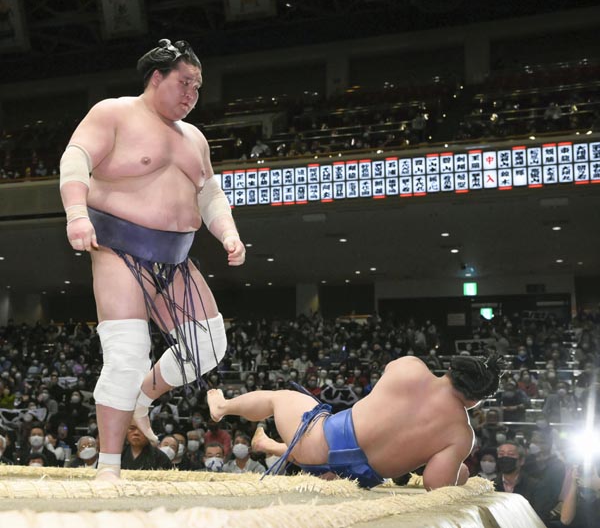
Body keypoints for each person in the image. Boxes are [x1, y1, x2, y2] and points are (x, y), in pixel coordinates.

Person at [58, 38, 245, 480]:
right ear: (157, 78)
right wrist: (76, 214)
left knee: (208, 346)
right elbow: (75, 158)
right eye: (185, 83)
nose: (191, 94)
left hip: (175, 257)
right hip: (118, 247)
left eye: (197, 87)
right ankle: (108, 467)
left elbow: (210, 194)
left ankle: (143, 397)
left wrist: (228, 232)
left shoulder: (195, 138)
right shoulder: (114, 113)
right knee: (126, 353)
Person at [207, 353, 503, 490]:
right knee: (321, 433)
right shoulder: (461, 434)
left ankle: (222, 407)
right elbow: (436, 484)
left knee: (281, 398)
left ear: (451, 369)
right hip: (356, 478)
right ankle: (266, 443)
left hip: (316, 448)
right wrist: (459, 471)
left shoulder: (410, 367)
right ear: (477, 399)